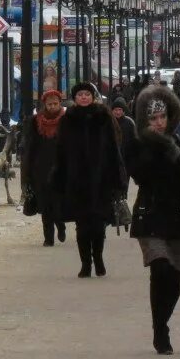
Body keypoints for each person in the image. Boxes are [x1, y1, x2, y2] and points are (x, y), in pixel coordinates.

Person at [125, 84, 180, 355]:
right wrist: (155, 146)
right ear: (145, 120)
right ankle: (159, 329)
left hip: (177, 216)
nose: (159, 123)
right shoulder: (138, 144)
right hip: (150, 215)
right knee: (160, 268)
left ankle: (163, 321)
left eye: (162, 117)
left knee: (175, 277)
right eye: (153, 119)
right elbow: (139, 175)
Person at [56, 82, 127, 278]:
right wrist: (59, 177)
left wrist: (117, 178)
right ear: (75, 98)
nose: (84, 97)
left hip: (101, 179)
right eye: (80, 95)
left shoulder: (103, 117)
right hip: (76, 180)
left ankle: (99, 259)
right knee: (82, 225)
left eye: (87, 94)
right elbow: (60, 151)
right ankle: (85, 263)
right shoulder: (67, 119)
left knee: (98, 224)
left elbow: (114, 148)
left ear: (93, 97)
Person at [23, 90, 67, 247]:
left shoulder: (66, 120)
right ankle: (48, 237)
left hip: (60, 166)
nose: (53, 107)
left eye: (55, 104)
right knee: (44, 203)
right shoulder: (36, 120)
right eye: (50, 104)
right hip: (40, 168)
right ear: (45, 104)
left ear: (60, 103)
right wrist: (28, 169)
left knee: (57, 202)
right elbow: (31, 145)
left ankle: (60, 225)